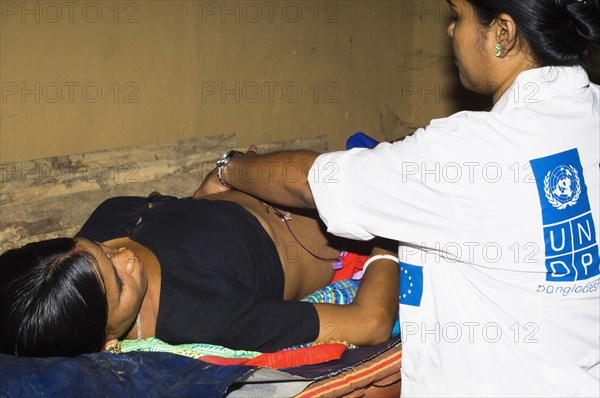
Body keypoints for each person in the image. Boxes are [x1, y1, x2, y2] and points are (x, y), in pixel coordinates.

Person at [193, 0, 600, 395]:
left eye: (457, 14)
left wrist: (230, 168)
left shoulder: (471, 151)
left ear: (503, 33)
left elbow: (310, 180)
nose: (450, 30)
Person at [0, 188, 399, 358]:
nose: (123, 254)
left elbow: (186, 222)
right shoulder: (205, 319)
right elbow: (371, 322)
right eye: (118, 283)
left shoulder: (105, 222)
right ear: (109, 343)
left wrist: (218, 187)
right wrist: (388, 234)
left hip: (275, 184)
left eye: (98, 248)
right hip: (347, 226)